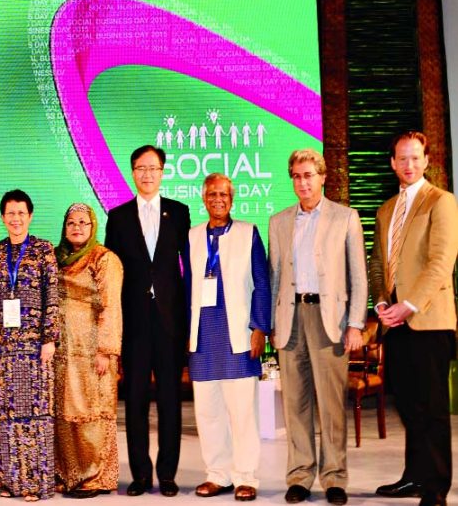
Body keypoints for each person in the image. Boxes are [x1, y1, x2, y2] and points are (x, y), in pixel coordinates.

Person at [269, 149, 367, 506]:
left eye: (309, 175)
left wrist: (356, 323)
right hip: (291, 319)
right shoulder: (278, 221)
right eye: (296, 176)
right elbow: (274, 276)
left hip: (331, 321)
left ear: (323, 177)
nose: (303, 182)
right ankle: (299, 475)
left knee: (330, 405)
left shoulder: (346, 217)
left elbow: (358, 275)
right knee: (295, 404)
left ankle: (335, 477)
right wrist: (271, 326)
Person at [368, 131, 458, 506]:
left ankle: (436, 487)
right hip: (395, 324)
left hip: (429, 321)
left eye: (415, 158)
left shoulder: (442, 202)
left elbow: (440, 263)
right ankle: (414, 476)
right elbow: (377, 263)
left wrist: (409, 305)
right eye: (401, 159)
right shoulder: (387, 208)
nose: (408, 165)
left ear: (426, 160)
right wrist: (380, 303)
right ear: (392, 163)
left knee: (433, 408)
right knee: (407, 404)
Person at [104, 144, 190, 497]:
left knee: (171, 399)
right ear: (132, 172)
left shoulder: (179, 213)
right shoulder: (118, 216)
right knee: (136, 400)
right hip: (134, 323)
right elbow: (111, 275)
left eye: (153, 168)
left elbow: (190, 268)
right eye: (141, 168)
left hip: (170, 323)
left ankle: (167, 473)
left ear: (163, 171)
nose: (147, 174)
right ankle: (140, 474)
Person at [187, 173, 270, 502]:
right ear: (204, 198)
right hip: (204, 337)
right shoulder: (193, 237)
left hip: (238, 336)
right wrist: (186, 333)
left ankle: (245, 476)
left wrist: (260, 327)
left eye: (224, 194)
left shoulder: (249, 233)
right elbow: (188, 287)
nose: (218, 199)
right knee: (208, 412)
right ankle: (217, 474)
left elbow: (262, 283)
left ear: (232, 198)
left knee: (243, 412)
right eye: (212, 194)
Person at [0, 190, 59, 502]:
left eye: (21, 213)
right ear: (2, 217)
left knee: (35, 415)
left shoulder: (43, 250)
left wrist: (49, 337)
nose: (15, 219)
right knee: (5, 416)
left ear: (30, 216)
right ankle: (8, 482)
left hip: (35, 347)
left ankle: (35, 484)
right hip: (2, 348)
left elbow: (52, 295)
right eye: (10, 213)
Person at [53, 203, 123, 499]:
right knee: (63, 412)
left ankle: (94, 476)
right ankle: (67, 473)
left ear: (93, 226)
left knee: (91, 411)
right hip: (62, 351)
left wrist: (106, 350)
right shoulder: (56, 258)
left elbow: (111, 305)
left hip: (93, 350)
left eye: (83, 222)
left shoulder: (104, 258)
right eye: (71, 222)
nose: (77, 227)